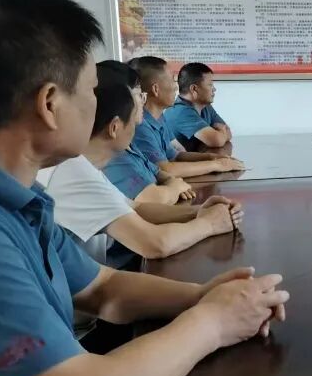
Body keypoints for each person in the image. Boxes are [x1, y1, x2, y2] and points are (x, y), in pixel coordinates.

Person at [0, 0, 289, 376]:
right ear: (50, 103)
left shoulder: (6, 187)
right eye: (91, 91)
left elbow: (103, 288)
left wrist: (203, 295)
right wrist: (213, 322)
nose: (101, 105)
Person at [39, 68, 244, 269]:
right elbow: (154, 243)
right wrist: (210, 223)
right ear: (115, 127)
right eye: (135, 113)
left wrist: (199, 210)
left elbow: (136, 208)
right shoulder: (73, 172)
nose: (140, 122)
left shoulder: (83, 166)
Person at [129, 56, 243, 178]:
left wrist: (212, 157)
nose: (176, 87)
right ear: (155, 89)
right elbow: (165, 169)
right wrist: (216, 165)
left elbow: (175, 156)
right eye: (172, 80)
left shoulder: (159, 117)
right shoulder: (141, 125)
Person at [98, 62, 195, 204]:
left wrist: (172, 183)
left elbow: (158, 171)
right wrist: (175, 187)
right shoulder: (111, 152)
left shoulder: (128, 145)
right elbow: (154, 199)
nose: (143, 102)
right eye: (139, 95)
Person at [164, 62, 231, 152]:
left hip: (198, 158)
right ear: (194, 89)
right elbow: (216, 140)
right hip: (180, 161)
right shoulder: (180, 111)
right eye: (210, 85)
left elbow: (228, 131)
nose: (214, 89)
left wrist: (219, 134)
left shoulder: (205, 106)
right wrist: (219, 133)